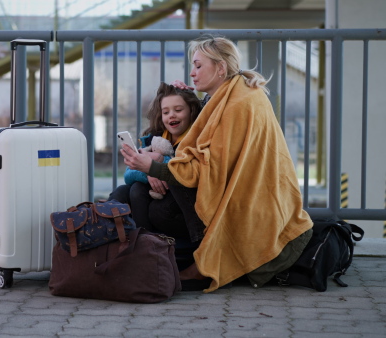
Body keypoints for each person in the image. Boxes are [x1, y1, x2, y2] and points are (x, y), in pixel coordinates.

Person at [120, 35, 313, 292]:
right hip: (241, 196)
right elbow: (210, 137)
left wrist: (153, 167)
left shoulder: (238, 104)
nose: (192, 72)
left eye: (199, 66)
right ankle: (135, 256)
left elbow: (207, 166)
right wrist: (190, 100)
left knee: (153, 206)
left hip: (245, 204)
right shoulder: (231, 94)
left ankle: (201, 261)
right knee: (126, 192)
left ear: (221, 68)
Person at [109, 82, 202, 234]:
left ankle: (146, 244)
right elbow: (128, 175)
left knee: (140, 192)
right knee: (121, 193)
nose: (171, 115)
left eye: (178, 110)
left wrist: (157, 163)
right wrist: (148, 171)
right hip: (152, 193)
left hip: (180, 196)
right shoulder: (154, 138)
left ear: (191, 111)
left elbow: (188, 171)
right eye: (165, 112)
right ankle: (107, 238)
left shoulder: (195, 138)